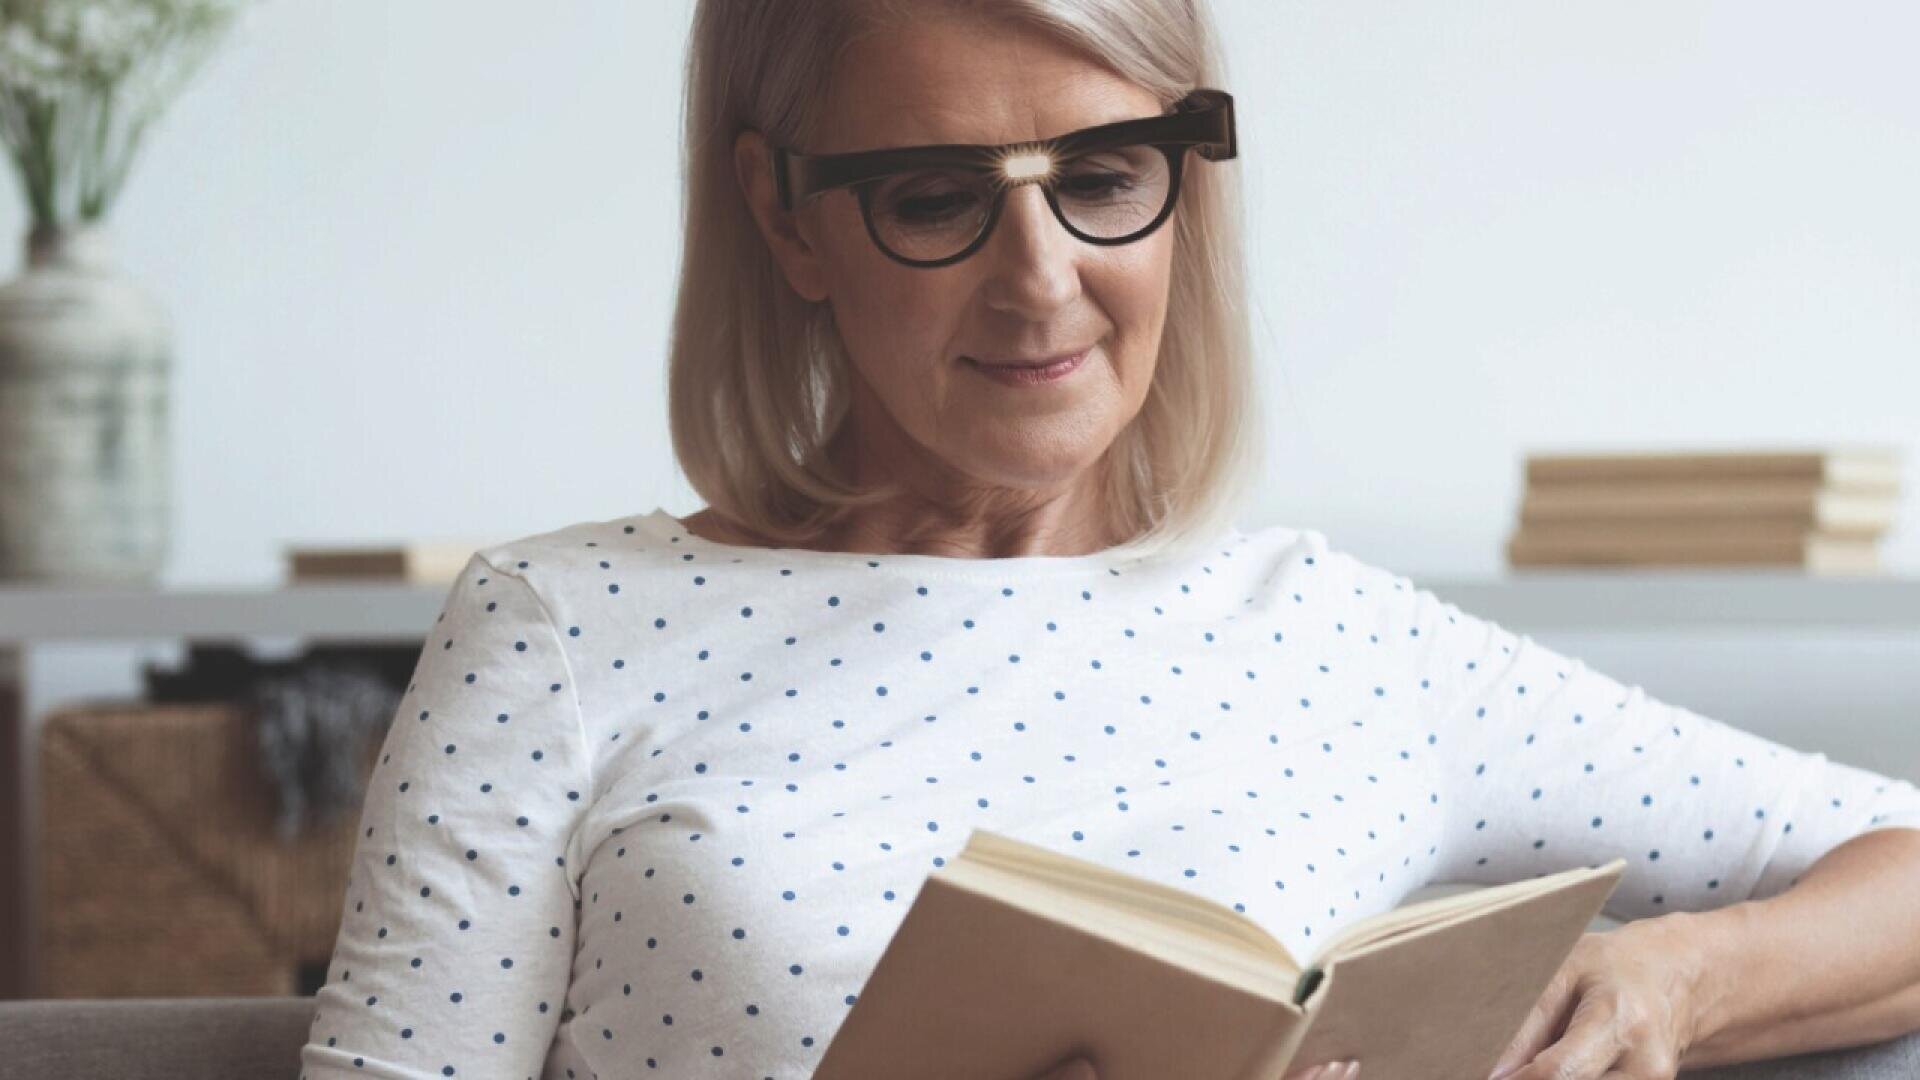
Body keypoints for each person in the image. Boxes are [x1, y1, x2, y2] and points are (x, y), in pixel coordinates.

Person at [299, 2, 1920, 1078]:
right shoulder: (564, 631)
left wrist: (1670, 982)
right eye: (937, 196)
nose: (1042, 279)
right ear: (785, 216)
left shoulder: (1337, 641)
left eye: (1104, 175)